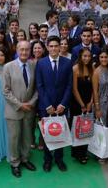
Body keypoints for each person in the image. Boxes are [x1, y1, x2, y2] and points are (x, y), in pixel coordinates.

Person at [35, 36, 73, 172]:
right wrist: (47, 105)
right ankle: (47, 159)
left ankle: (59, 158)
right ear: (47, 47)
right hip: (46, 106)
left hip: (61, 106)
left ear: (60, 47)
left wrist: (63, 103)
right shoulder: (41, 63)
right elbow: (40, 86)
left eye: (56, 46)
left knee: (60, 132)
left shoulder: (67, 63)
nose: (53, 48)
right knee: (47, 134)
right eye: (51, 46)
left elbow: (69, 85)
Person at [2, 41, 38, 177]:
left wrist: (32, 102)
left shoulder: (33, 65)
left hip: (29, 109)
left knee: (27, 137)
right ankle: (15, 163)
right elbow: (6, 91)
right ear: (16, 50)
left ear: (30, 51)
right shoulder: (8, 67)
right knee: (14, 138)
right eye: (21, 49)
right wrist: (19, 104)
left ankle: (25, 158)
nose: (24, 52)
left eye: (27, 50)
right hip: (14, 110)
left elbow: (36, 88)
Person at [71, 48, 94, 164]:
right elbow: (74, 89)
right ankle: (77, 153)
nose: (87, 58)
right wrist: (82, 105)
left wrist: (90, 102)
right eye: (84, 56)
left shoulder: (92, 68)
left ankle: (84, 152)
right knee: (77, 128)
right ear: (80, 57)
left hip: (89, 103)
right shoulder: (75, 69)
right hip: (77, 103)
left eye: (89, 56)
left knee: (86, 128)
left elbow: (95, 88)